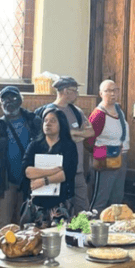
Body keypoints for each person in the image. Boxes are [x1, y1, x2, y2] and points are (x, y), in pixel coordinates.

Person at [0, 86, 43, 228]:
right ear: (0, 103)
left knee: (26, 222)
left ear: (21, 100)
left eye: (13, 98)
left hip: (30, 180)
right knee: (3, 222)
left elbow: (44, 148)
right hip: (5, 180)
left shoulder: (34, 121)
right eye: (5, 99)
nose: (9, 102)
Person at [34, 76, 94, 213]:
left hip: (77, 171)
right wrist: (75, 134)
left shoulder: (76, 111)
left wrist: (72, 134)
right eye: (75, 91)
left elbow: (90, 132)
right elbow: (52, 137)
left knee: (83, 211)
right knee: (56, 213)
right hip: (55, 172)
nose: (77, 94)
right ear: (66, 91)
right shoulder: (49, 112)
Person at [20, 107, 78, 227]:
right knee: (34, 238)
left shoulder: (69, 146)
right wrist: (53, 170)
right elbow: (28, 171)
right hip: (37, 201)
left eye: (52, 121)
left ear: (61, 124)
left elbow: (66, 173)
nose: (48, 124)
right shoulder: (34, 145)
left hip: (60, 201)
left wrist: (43, 180)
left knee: (59, 237)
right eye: (45, 121)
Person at [86, 80, 129, 212]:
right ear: (100, 93)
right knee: (101, 198)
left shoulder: (118, 109)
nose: (112, 94)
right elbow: (88, 140)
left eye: (115, 90)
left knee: (116, 198)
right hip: (105, 159)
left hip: (121, 157)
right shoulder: (99, 115)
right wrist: (100, 153)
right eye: (108, 91)